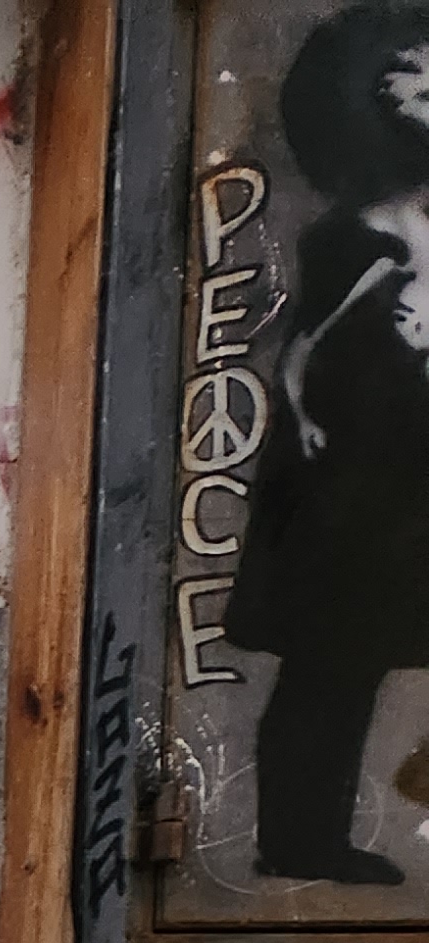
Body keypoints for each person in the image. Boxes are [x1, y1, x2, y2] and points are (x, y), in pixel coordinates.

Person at [234, 2, 429, 884]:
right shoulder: (354, 233)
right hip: (362, 481)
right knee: (333, 664)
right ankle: (301, 838)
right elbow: (308, 353)